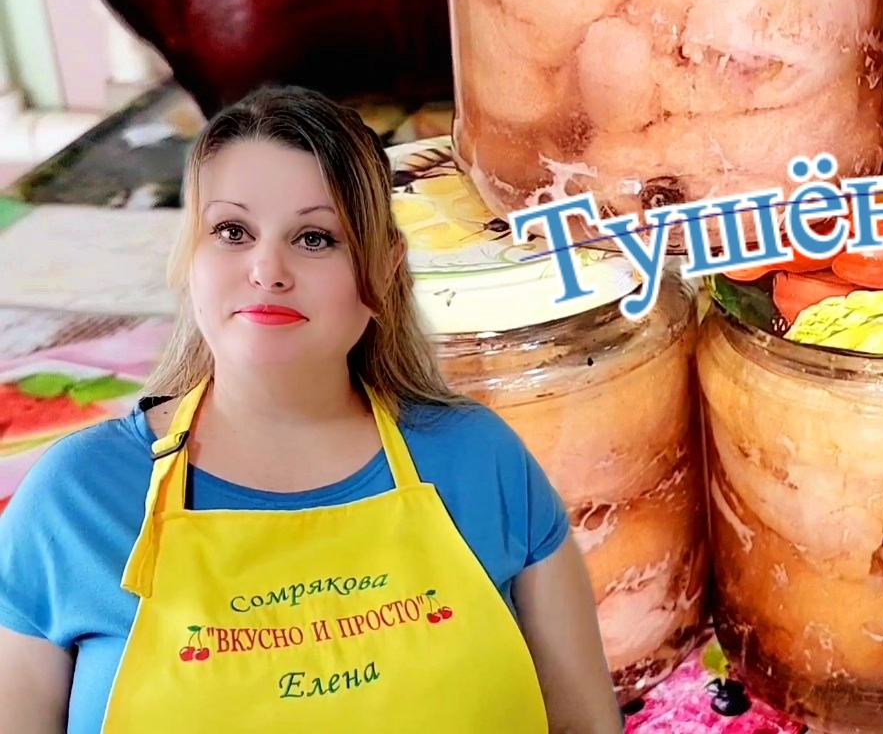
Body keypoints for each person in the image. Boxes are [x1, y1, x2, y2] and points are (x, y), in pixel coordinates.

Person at [0, 85, 621, 733]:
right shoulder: (77, 500)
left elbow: (584, 724)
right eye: (232, 231)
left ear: (385, 268)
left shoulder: (481, 462)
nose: (267, 269)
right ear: (188, 259)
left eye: (315, 238)